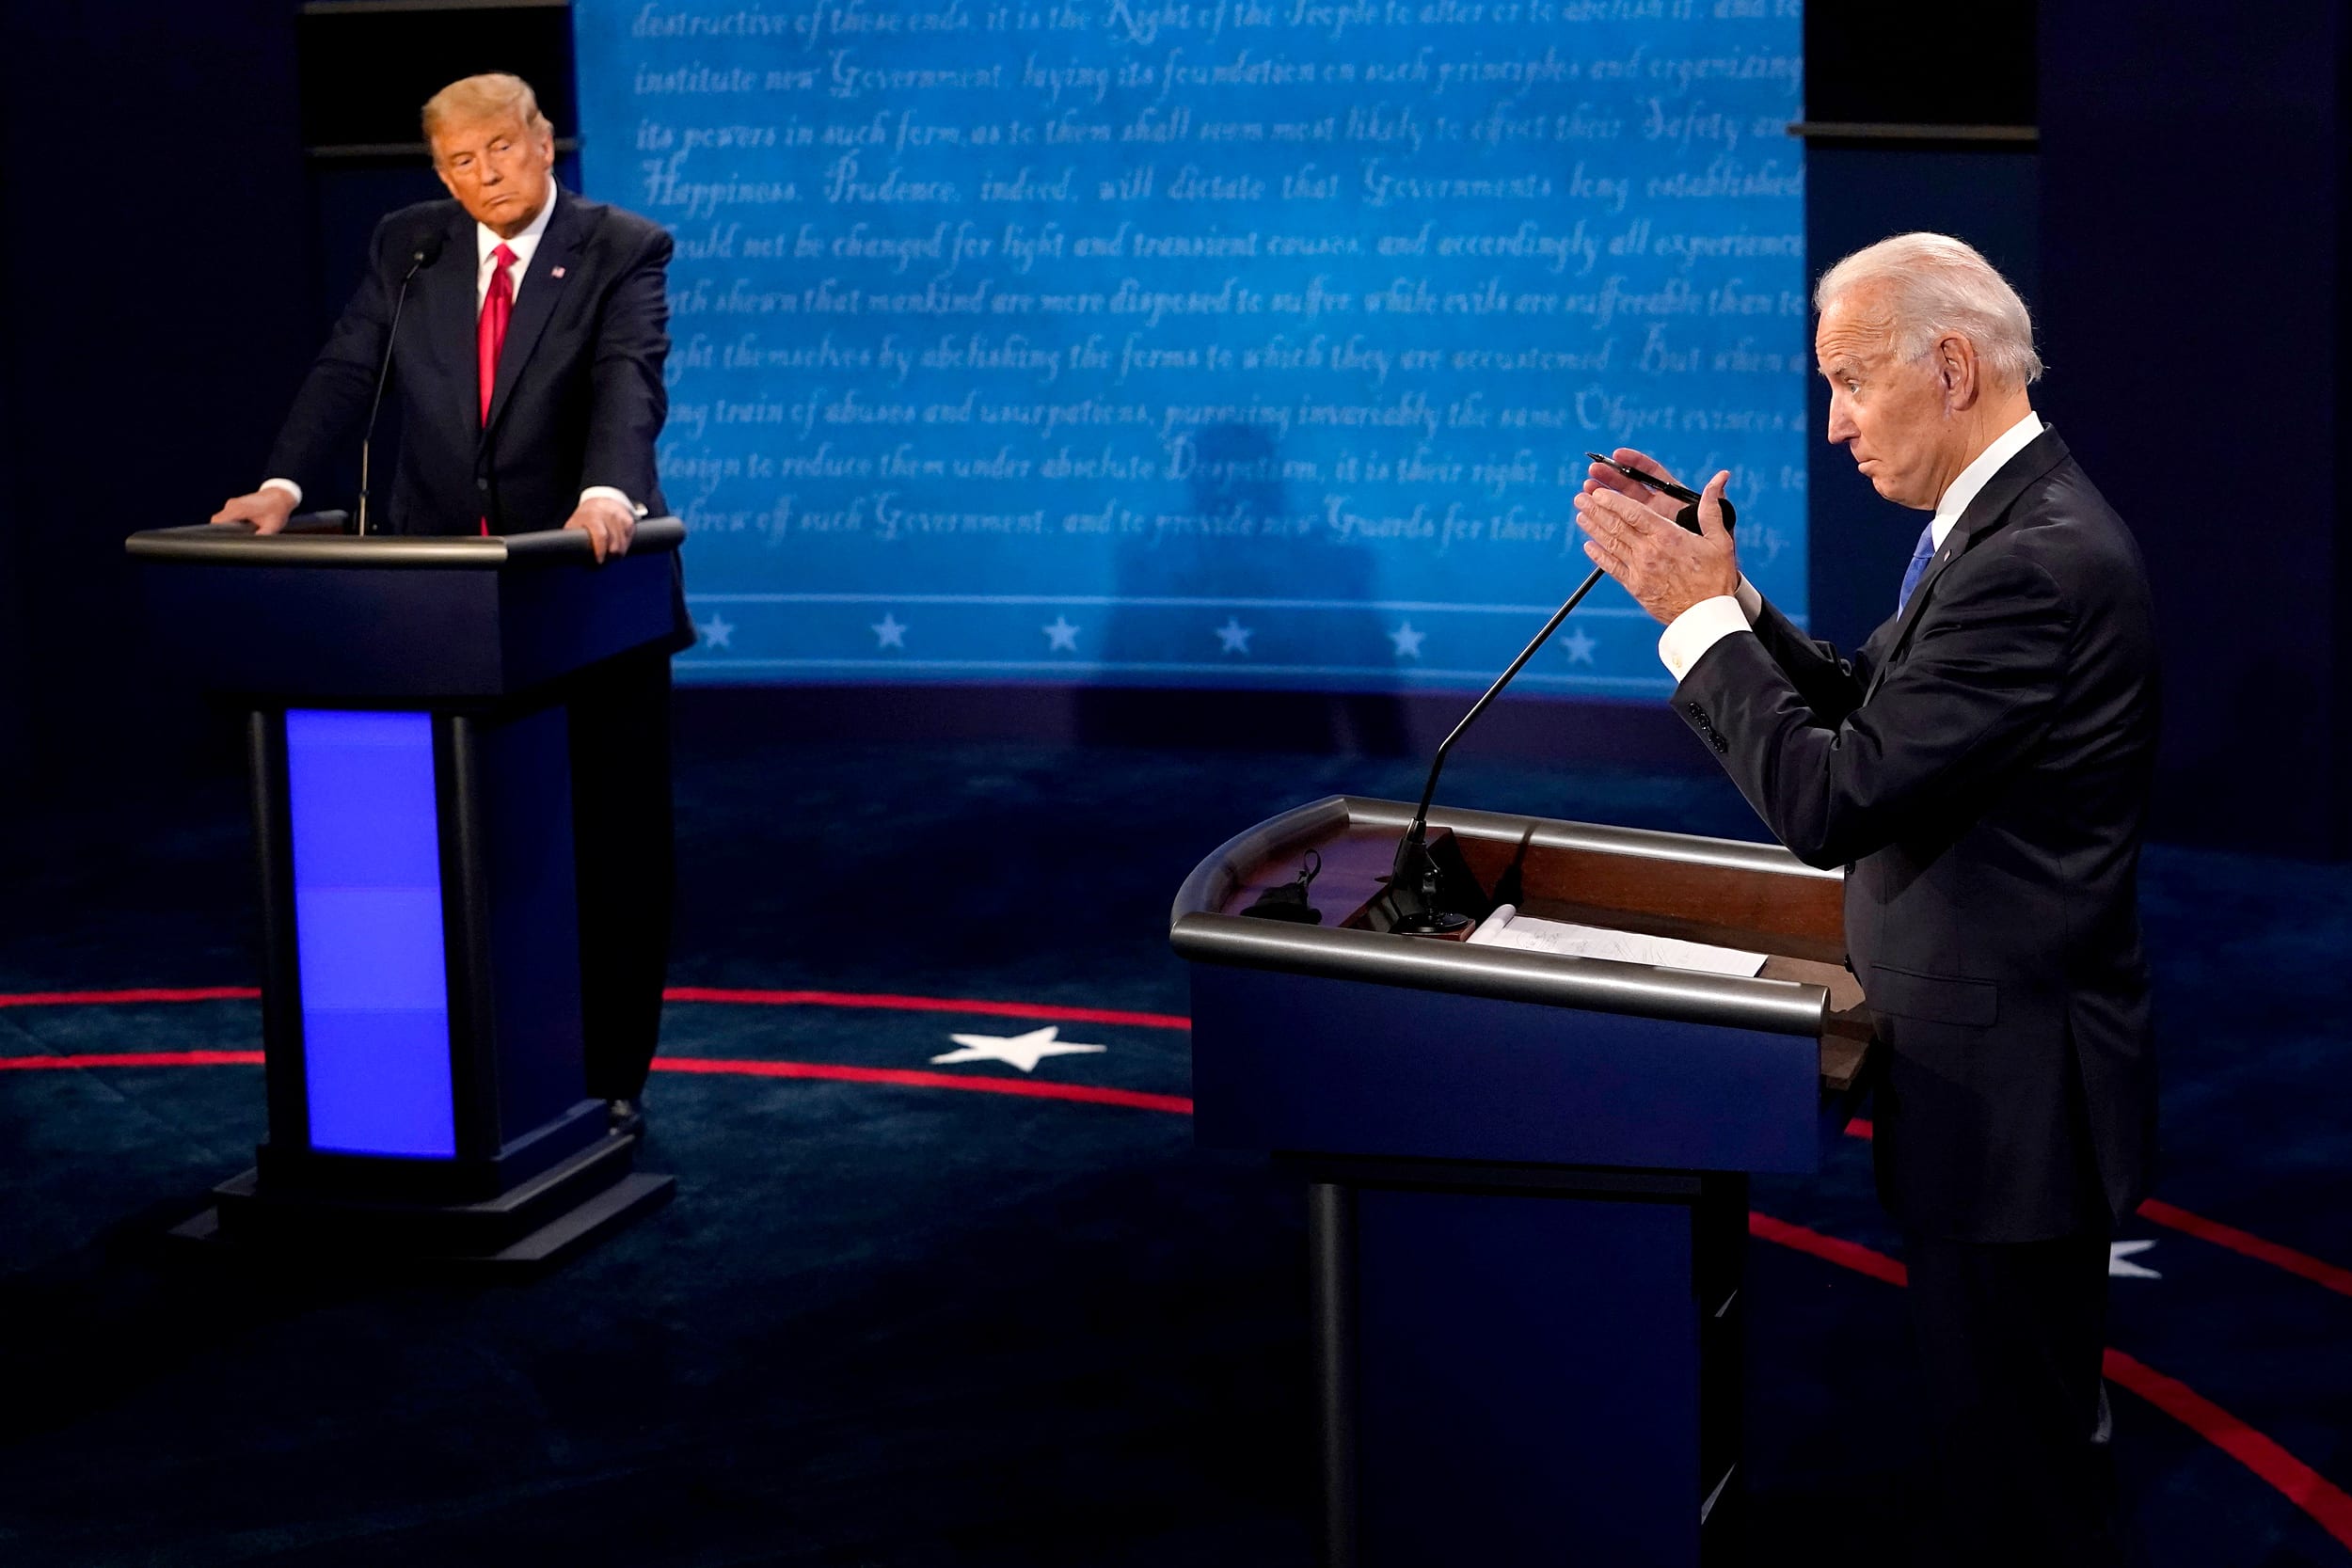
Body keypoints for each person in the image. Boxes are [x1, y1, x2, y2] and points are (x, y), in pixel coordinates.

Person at [1572, 232, 2158, 1566]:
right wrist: (1724, 596)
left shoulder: (2034, 561)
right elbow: (1872, 709)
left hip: (2013, 1104)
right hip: (1987, 1082)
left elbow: (1833, 800)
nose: (1832, 423)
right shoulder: (2007, 525)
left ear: (1950, 365)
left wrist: (1695, 623)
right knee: (2001, 1441)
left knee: (2022, 1475)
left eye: (1848, 379)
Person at [212, 72, 686, 1133]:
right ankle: (456, 1075)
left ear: (544, 141)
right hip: (431, 606)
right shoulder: (410, 245)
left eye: (500, 152)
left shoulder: (622, 245)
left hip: (582, 590)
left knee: (607, 844)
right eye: (459, 162)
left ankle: (612, 1072)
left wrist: (608, 488)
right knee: (450, 847)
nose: (484, 178)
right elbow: (346, 368)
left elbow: (628, 376)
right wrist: (284, 485)